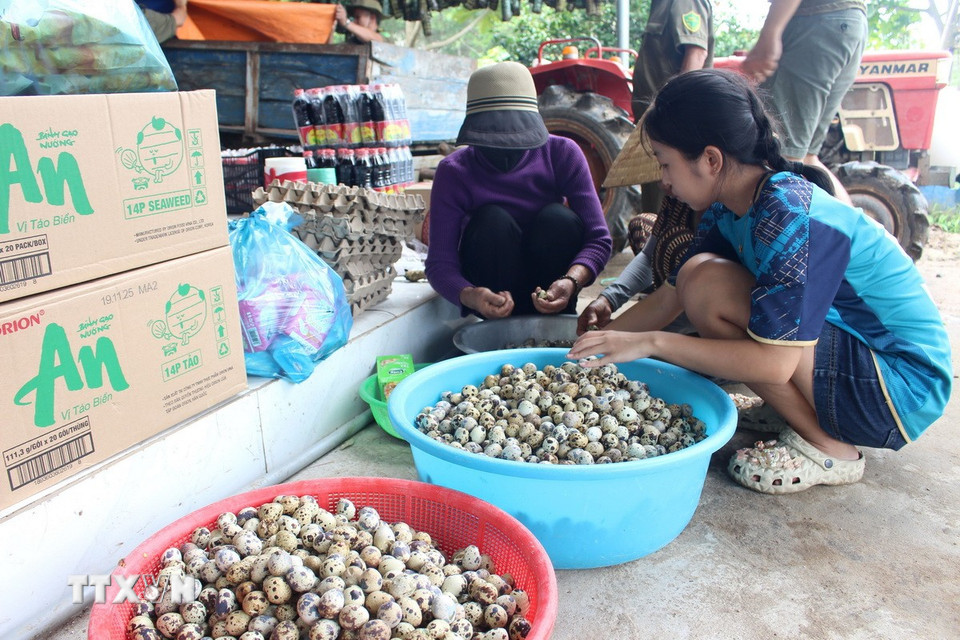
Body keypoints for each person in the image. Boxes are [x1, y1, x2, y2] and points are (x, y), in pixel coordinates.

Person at [567, 69, 952, 495]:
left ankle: (829, 447)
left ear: (711, 160)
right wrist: (587, 349)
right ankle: (795, 409)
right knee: (697, 277)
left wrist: (651, 343)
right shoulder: (729, 206)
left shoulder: (789, 214)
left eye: (665, 162)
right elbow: (669, 298)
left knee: (710, 286)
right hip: (858, 366)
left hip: (897, 389)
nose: (665, 179)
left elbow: (775, 363)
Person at [424, 61, 613, 319]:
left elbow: (599, 239)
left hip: (554, 286)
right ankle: (500, 318)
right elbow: (439, 264)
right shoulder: (454, 171)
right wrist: (470, 295)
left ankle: (558, 312)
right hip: (494, 289)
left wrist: (572, 280)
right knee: (492, 220)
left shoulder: (563, 153)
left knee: (558, 218)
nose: (505, 150)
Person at [740, 0, 867, 204]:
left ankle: (783, 236)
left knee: (780, 157)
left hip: (813, 21)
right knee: (807, 157)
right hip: (848, 20)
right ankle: (855, 234)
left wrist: (770, 33)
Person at [631, 0, 714, 213]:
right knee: (655, 208)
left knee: (669, 212)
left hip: (671, 130)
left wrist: (675, 116)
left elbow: (696, 54)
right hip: (657, 132)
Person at [577, 195, 698, 334]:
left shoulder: (719, 214)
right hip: (675, 284)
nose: (664, 182)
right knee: (641, 223)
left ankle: (684, 326)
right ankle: (656, 294)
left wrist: (625, 333)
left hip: (708, 297)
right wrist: (608, 299)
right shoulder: (676, 201)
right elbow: (648, 256)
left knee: (674, 242)